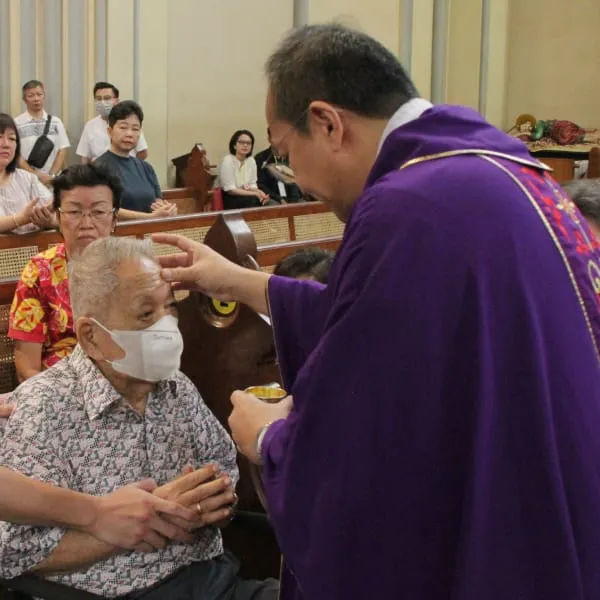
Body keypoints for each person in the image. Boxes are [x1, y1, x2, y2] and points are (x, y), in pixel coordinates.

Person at [153, 24, 600, 600]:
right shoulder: (507, 172)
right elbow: (397, 325)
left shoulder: (408, 205)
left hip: (493, 533)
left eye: (288, 156)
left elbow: (372, 444)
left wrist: (271, 443)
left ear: (328, 123)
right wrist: (239, 282)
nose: (304, 186)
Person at [0, 236, 278, 600]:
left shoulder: (175, 385)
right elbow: (13, 551)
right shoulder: (43, 409)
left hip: (213, 581)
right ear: (92, 336)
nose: (167, 327)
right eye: (146, 314)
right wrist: (147, 521)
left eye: (170, 308)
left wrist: (211, 506)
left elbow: (223, 477)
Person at [8, 164, 119, 382]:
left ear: (114, 220)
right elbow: (26, 368)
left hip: (124, 387)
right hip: (59, 390)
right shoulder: (39, 272)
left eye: (98, 212)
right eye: (75, 212)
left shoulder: (134, 269)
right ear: (58, 218)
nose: (86, 223)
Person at [95, 100, 176, 219]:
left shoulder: (146, 168)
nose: (129, 134)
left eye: (135, 129)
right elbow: (105, 209)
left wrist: (168, 210)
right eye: (123, 127)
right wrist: (148, 218)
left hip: (149, 234)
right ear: (110, 131)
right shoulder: (98, 168)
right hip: (117, 235)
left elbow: (158, 202)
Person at [0, 113, 55, 233]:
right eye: (0, 137)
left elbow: (57, 215)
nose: (6, 144)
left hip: (35, 250)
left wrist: (48, 220)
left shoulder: (27, 179)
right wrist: (20, 219)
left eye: (12, 139)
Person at [77, 81, 149, 163]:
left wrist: (129, 167)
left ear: (117, 101)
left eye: (107, 98)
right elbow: (85, 156)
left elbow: (143, 152)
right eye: (99, 99)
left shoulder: (127, 123)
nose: (102, 102)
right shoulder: (90, 125)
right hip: (99, 173)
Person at [15, 80, 70, 186]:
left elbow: (62, 150)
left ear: (44, 96)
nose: (36, 99)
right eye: (31, 96)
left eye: (39, 94)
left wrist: (51, 176)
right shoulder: (17, 123)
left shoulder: (56, 122)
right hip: (26, 181)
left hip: (52, 181)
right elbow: (16, 154)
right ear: (24, 99)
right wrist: (36, 176)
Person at [219, 130, 271, 209]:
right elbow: (230, 190)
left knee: (263, 200)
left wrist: (260, 192)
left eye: (249, 143)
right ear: (234, 145)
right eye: (242, 142)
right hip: (231, 197)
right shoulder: (228, 160)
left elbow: (252, 184)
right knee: (253, 200)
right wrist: (255, 194)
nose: (245, 145)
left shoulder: (251, 161)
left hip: (247, 194)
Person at [254, 128, 303, 203]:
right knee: (274, 208)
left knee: (306, 208)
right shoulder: (261, 158)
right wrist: (280, 199)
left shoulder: (291, 157)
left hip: (292, 198)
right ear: (269, 139)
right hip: (272, 198)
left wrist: (294, 201)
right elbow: (261, 184)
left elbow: (295, 182)